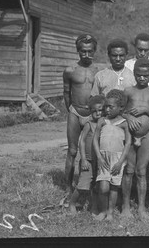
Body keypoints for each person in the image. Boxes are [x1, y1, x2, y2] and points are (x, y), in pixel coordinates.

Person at [121, 58, 149, 219]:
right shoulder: (128, 91)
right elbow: (120, 111)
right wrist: (129, 118)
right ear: (134, 74)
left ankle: (141, 208)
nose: (141, 78)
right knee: (128, 171)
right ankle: (125, 207)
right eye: (138, 75)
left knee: (141, 172)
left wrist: (147, 110)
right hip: (130, 136)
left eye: (145, 75)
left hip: (147, 136)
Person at [63, 34, 99, 196]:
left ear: (94, 51)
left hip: (92, 115)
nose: (87, 55)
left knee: (92, 151)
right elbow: (66, 93)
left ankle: (90, 185)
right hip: (75, 112)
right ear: (78, 51)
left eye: (90, 51)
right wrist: (71, 110)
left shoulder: (98, 71)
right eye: (83, 51)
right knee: (72, 150)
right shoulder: (70, 70)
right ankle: (68, 186)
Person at [92, 89, 132, 221]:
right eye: (106, 106)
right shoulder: (102, 121)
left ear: (120, 108)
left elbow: (127, 144)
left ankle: (110, 213)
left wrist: (120, 162)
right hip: (103, 158)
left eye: (111, 107)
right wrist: (98, 156)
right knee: (103, 187)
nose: (107, 109)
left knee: (114, 187)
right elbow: (95, 139)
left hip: (117, 159)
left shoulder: (124, 124)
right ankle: (102, 211)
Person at [68, 95, 105, 215]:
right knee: (82, 185)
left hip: (99, 161)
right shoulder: (89, 124)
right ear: (90, 112)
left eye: (100, 110)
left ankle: (94, 207)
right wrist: (83, 159)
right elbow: (82, 141)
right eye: (94, 111)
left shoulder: (105, 125)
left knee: (96, 185)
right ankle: (72, 203)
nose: (98, 113)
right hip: (88, 160)